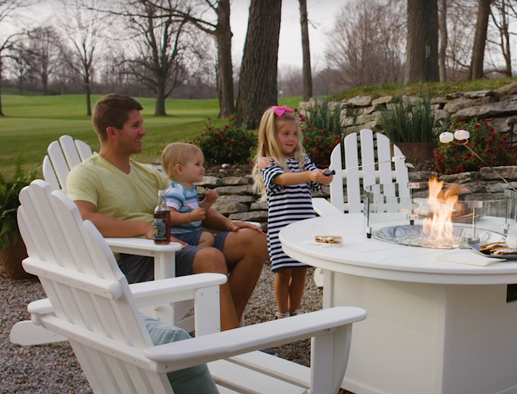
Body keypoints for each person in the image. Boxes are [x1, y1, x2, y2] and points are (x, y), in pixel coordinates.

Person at [66, 93, 267, 331]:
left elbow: (187, 206)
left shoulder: (148, 174)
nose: (143, 132)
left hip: (173, 244)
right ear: (112, 132)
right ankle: (231, 344)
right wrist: (144, 228)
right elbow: (84, 218)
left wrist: (228, 224)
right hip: (134, 259)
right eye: (135, 125)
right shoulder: (86, 173)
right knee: (210, 256)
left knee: (253, 240)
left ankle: (222, 328)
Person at [253, 106, 332, 319]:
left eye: (295, 134)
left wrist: (324, 176)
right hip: (282, 229)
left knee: (300, 272)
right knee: (283, 271)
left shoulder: (302, 160)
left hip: (303, 227)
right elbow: (282, 180)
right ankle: (282, 312)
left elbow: (316, 184)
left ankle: (295, 311)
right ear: (270, 136)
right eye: (285, 133)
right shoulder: (267, 162)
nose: (291, 138)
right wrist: (310, 175)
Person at [160, 142, 219, 247]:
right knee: (207, 237)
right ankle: (195, 258)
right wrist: (190, 217)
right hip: (178, 235)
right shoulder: (176, 191)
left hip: (189, 233)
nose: (203, 168)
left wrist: (208, 202)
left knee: (208, 236)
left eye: (202, 164)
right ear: (180, 169)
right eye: (197, 164)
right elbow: (168, 215)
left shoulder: (190, 189)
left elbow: (197, 210)